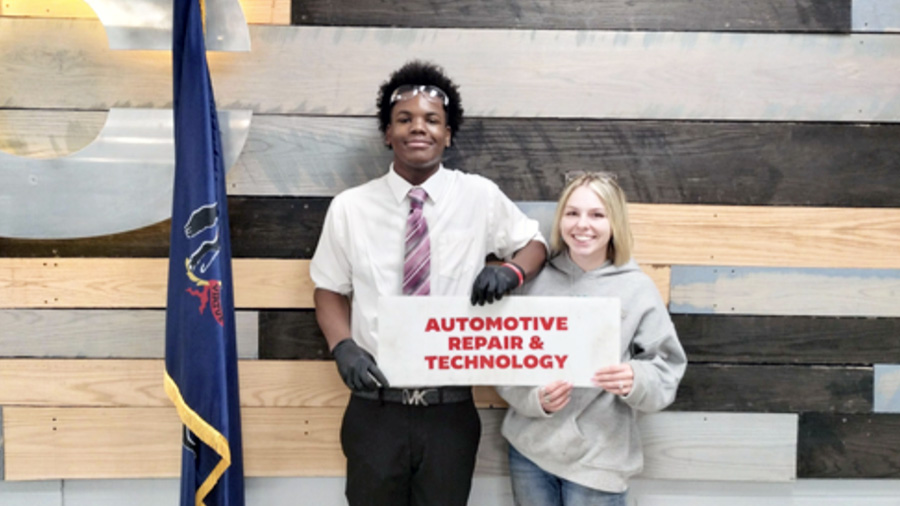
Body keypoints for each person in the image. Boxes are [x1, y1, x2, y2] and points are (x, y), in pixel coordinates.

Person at [309, 60, 547, 506]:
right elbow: (328, 288)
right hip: (374, 407)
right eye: (404, 119)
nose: (419, 128)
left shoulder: (478, 195)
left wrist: (510, 271)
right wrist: (343, 346)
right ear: (387, 133)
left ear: (448, 133)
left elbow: (534, 243)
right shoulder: (350, 208)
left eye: (432, 120)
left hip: (450, 411)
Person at [496, 173, 687, 506]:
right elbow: (504, 361)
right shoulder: (534, 281)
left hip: (601, 459)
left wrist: (635, 379)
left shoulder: (637, 289)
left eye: (597, 214)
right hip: (529, 453)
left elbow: (667, 368)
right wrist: (534, 399)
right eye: (572, 213)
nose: (582, 224)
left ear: (614, 221)